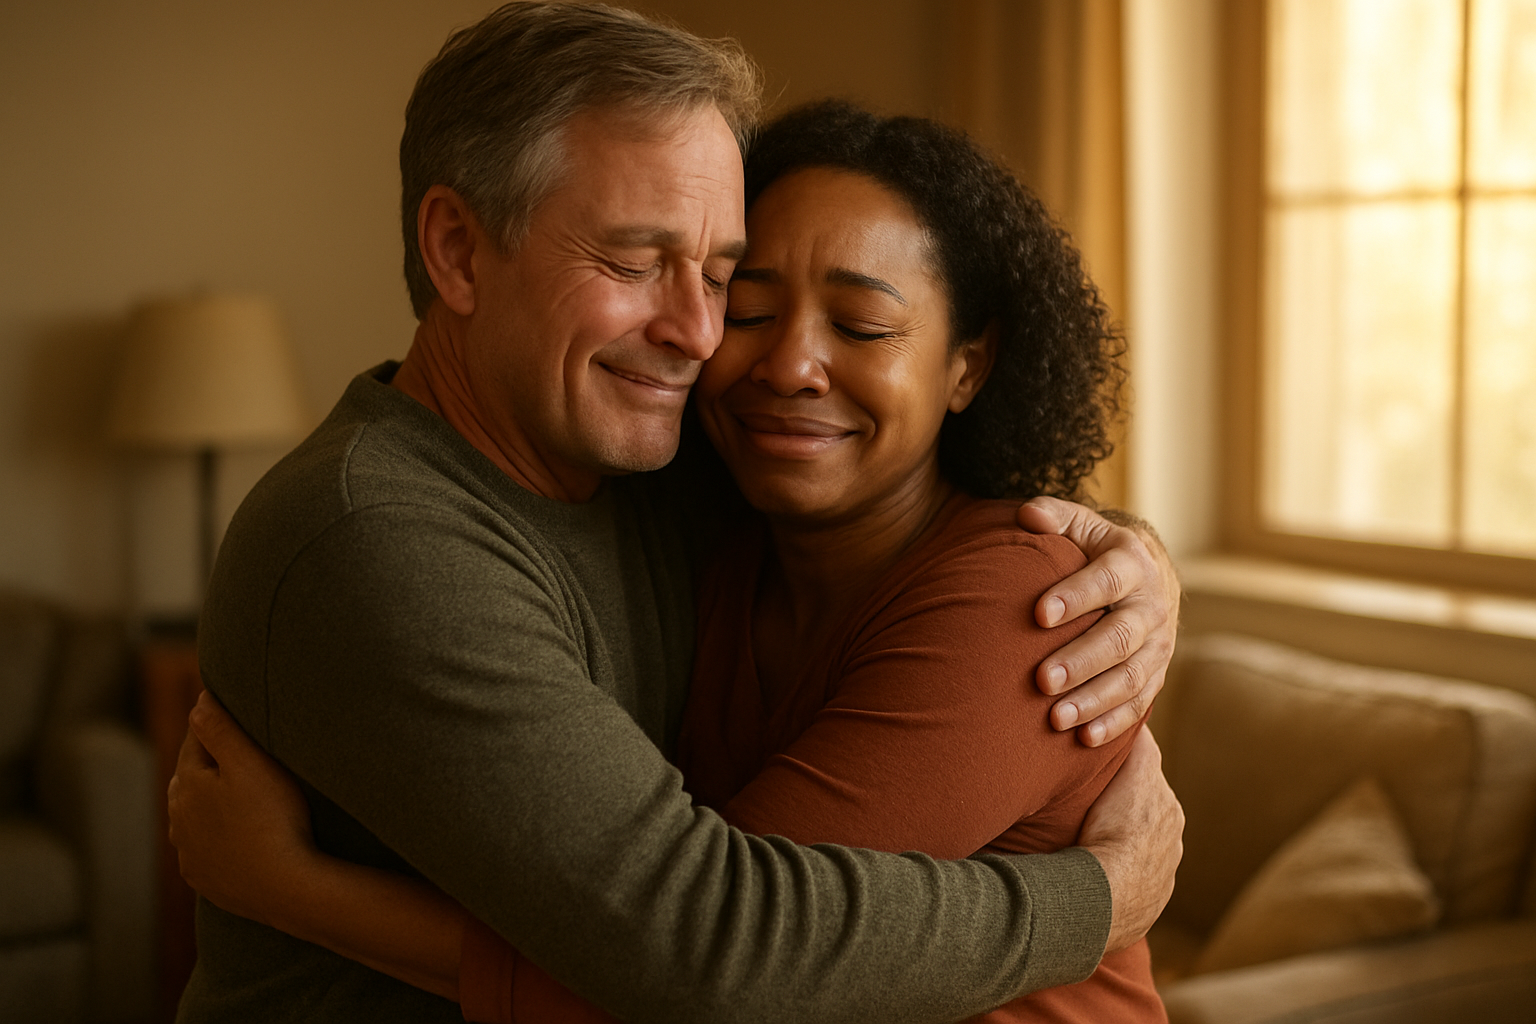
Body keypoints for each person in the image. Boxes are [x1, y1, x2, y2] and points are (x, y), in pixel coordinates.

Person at [172, 5, 1183, 1023]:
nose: (703, 335)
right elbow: (707, 949)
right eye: (634, 262)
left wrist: (1140, 560)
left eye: (716, 279)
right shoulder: (380, 538)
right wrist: (1094, 900)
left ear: (971, 365)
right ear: (459, 251)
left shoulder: (656, 487)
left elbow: (704, 956)